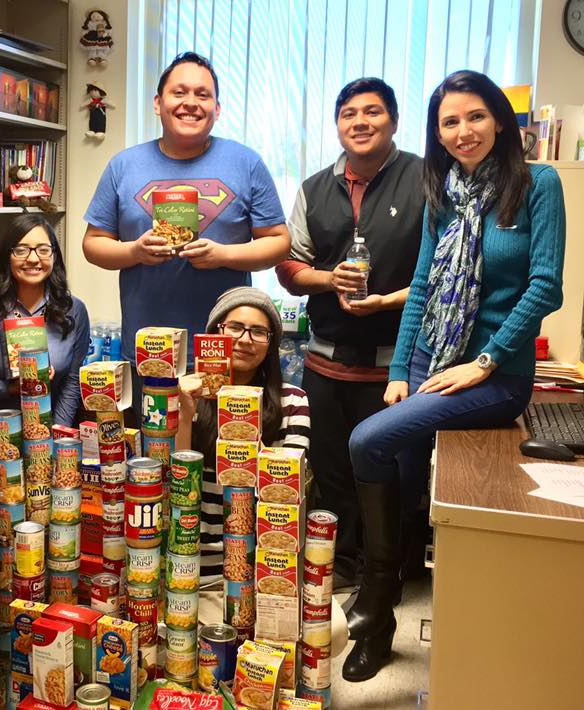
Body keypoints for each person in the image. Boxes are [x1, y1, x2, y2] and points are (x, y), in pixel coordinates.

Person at [344, 70, 565, 682]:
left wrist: (485, 360)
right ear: (437, 134)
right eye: (449, 122)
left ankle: (371, 603)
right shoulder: (445, 191)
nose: (463, 132)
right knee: (405, 476)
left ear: (499, 119)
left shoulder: (538, 185)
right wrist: (397, 370)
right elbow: (424, 287)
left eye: (474, 117)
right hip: (429, 363)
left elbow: (545, 286)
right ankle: (382, 628)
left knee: (368, 441)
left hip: (495, 375)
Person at [275, 78, 425, 592]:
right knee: (333, 471)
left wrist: (388, 300)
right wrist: (328, 278)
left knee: (395, 478)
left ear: (395, 121)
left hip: (398, 369)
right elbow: (289, 266)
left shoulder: (427, 179)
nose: (360, 122)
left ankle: (391, 575)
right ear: (337, 124)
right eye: (348, 114)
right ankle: (342, 562)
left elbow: (445, 275)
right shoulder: (314, 188)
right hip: (325, 363)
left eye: (373, 112)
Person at [83, 52, 290, 411]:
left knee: (223, 457)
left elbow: (279, 242)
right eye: (179, 92)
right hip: (150, 351)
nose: (190, 103)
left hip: (229, 352)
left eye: (203, 94)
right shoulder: (124, 165)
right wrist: (135, 251)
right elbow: (93, 244)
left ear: (218, 108)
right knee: (154, 458)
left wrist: (223, 255)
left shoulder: (246, 163)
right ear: (158, 103)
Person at [174, 287, 310, 592]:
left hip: (264, 561)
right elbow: (179, 486)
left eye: (259, 332)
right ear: (215, 334)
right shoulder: (188, 393)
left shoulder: (293, 401)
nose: (245, 339)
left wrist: (245, 430)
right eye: (234, 327)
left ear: (271, 344)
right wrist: (185, 413)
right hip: (196, 561)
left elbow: (287, 493)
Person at [0, 214, 90, 426]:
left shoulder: (74, 310)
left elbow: (72, 382)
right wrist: (10, 388)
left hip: (51, 431)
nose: (32, 258)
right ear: (6, 256)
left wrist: (57, 433)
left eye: (43, 249)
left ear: (54, 256)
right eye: (21, 250)